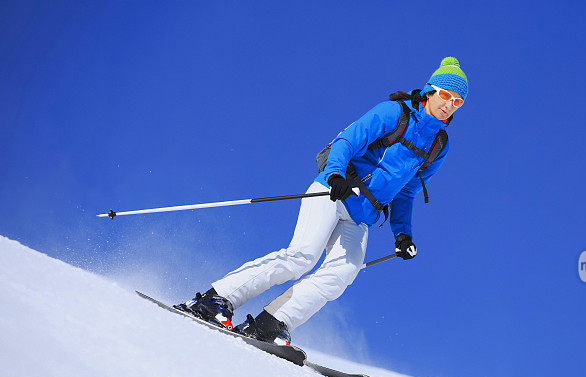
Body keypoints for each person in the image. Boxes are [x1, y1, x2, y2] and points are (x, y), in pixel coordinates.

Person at [177, 57, 468, 345]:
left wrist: (403, 234)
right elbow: (348, 141)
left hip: (363, 214)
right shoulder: (394, 113)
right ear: (430, 90)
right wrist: (335, 175)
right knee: (301, 257)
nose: (448, 104)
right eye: (445, 95)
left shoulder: (438, 145)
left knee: (344, 272)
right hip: (335, 191)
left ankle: (271, 323)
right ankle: (215, 300)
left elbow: (406, 192)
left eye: (457, 102)